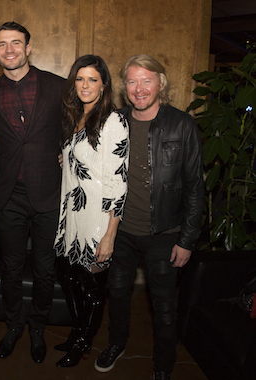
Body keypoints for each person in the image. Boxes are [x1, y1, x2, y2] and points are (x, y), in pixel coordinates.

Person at [94, 55, 204, 380]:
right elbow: (96, 168)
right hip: (121, 230)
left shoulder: (182, 125)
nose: (139, 88)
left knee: (163, 307)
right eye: (131, 81)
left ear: (160, 84)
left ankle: (163, 365)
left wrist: (187, 240)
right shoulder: (114, 122)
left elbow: (196, 187)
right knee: (117, 293)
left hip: (165, 234)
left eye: (146, 80)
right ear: (124, 86)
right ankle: (117, 344)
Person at [0, 21, 67, 363]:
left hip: (49, 193)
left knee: (46, 269)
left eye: (15, 43)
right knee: (11, 268)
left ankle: (37, 328)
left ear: (28, 48)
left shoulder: (59, 87)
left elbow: (78, 126)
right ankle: (14, 325)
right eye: (2, 44)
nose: (9, 50)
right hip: (8, 195)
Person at [53, 55, 129, 368]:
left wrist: (110, 235)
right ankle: (77, 332)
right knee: (68, 277)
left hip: (97, 219)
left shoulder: (113, 121)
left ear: (103, 85)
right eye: (80, 79)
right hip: (72, 214)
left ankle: (85, 341)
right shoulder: (74, 119)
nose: (85, 85)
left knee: (93, 288)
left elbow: (118, 182)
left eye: (92, 79)